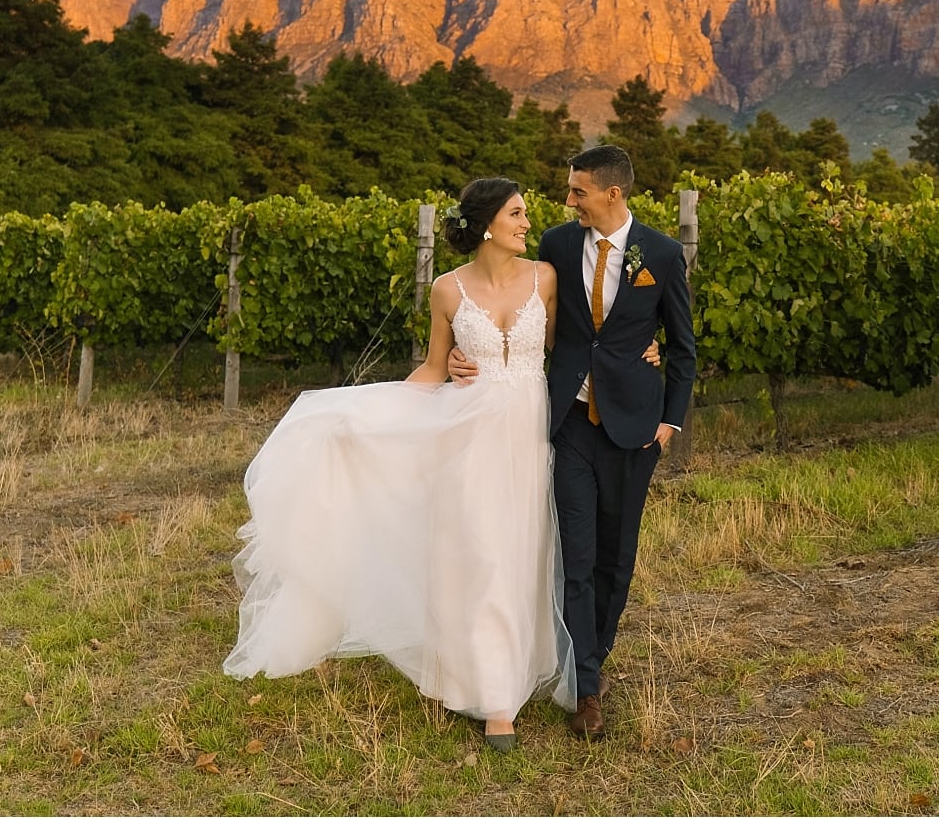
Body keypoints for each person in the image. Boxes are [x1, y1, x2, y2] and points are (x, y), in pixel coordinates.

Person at [223, 178, 576, 751]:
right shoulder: (446, 290)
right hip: (468, 439)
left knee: (520, 556)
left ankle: (498, 674)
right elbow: (435, 369)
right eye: (516, 214)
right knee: (478, 555)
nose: (526, 223)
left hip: (529, 438)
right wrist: (364, 417)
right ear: (487, 224)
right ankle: (495, 702)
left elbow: (570, 351)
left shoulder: (546, 279)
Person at [451, 144, 696, 740]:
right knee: (576, 557)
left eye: (578, 191)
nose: (567, 201)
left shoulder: (660, 255)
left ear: (612, 194)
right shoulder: (558, 246)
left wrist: (670, 422)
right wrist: (469, 350)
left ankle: (596, 653)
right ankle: (586, 687)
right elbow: (534, 321)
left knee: (618, 557)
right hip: (567, 426)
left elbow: (683, 347)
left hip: (635, 429)